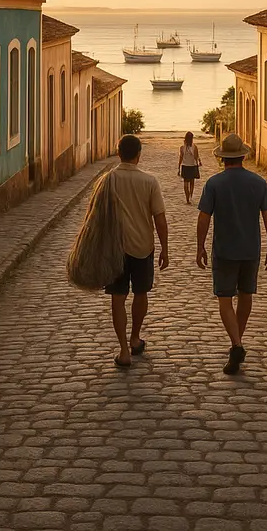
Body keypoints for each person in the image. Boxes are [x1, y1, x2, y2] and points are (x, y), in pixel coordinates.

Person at [197, 133, 267, 374]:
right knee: (246, 296)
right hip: (250, 250)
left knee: (225, 300)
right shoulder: (259, 183)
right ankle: (237, 344)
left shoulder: (213, 184)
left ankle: (236, 344)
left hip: (224, 251)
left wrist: (200, 246)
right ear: (243, 156)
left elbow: (204, 218)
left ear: (222, 159)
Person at [105, 134, 169, 368]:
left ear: (118, 152)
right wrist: (165, 249)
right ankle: (134, 337)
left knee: (117, 298)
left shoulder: (108, 180)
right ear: (139, 155)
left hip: (115, 248)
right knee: (141, 293)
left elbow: (97, 218)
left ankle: (123, 350)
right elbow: (160, 220)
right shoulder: (150, 181)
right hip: (143, 246)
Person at [178, 131, 201, 204]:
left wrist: (178, 167)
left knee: (187, 183)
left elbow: (181, 158)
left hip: (186, 166)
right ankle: (189, 196)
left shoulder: (183, 147)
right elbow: (196, 156)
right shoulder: (193, 147)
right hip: (191, 166)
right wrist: (199, 161)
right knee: (191, 183)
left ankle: (188, 198)